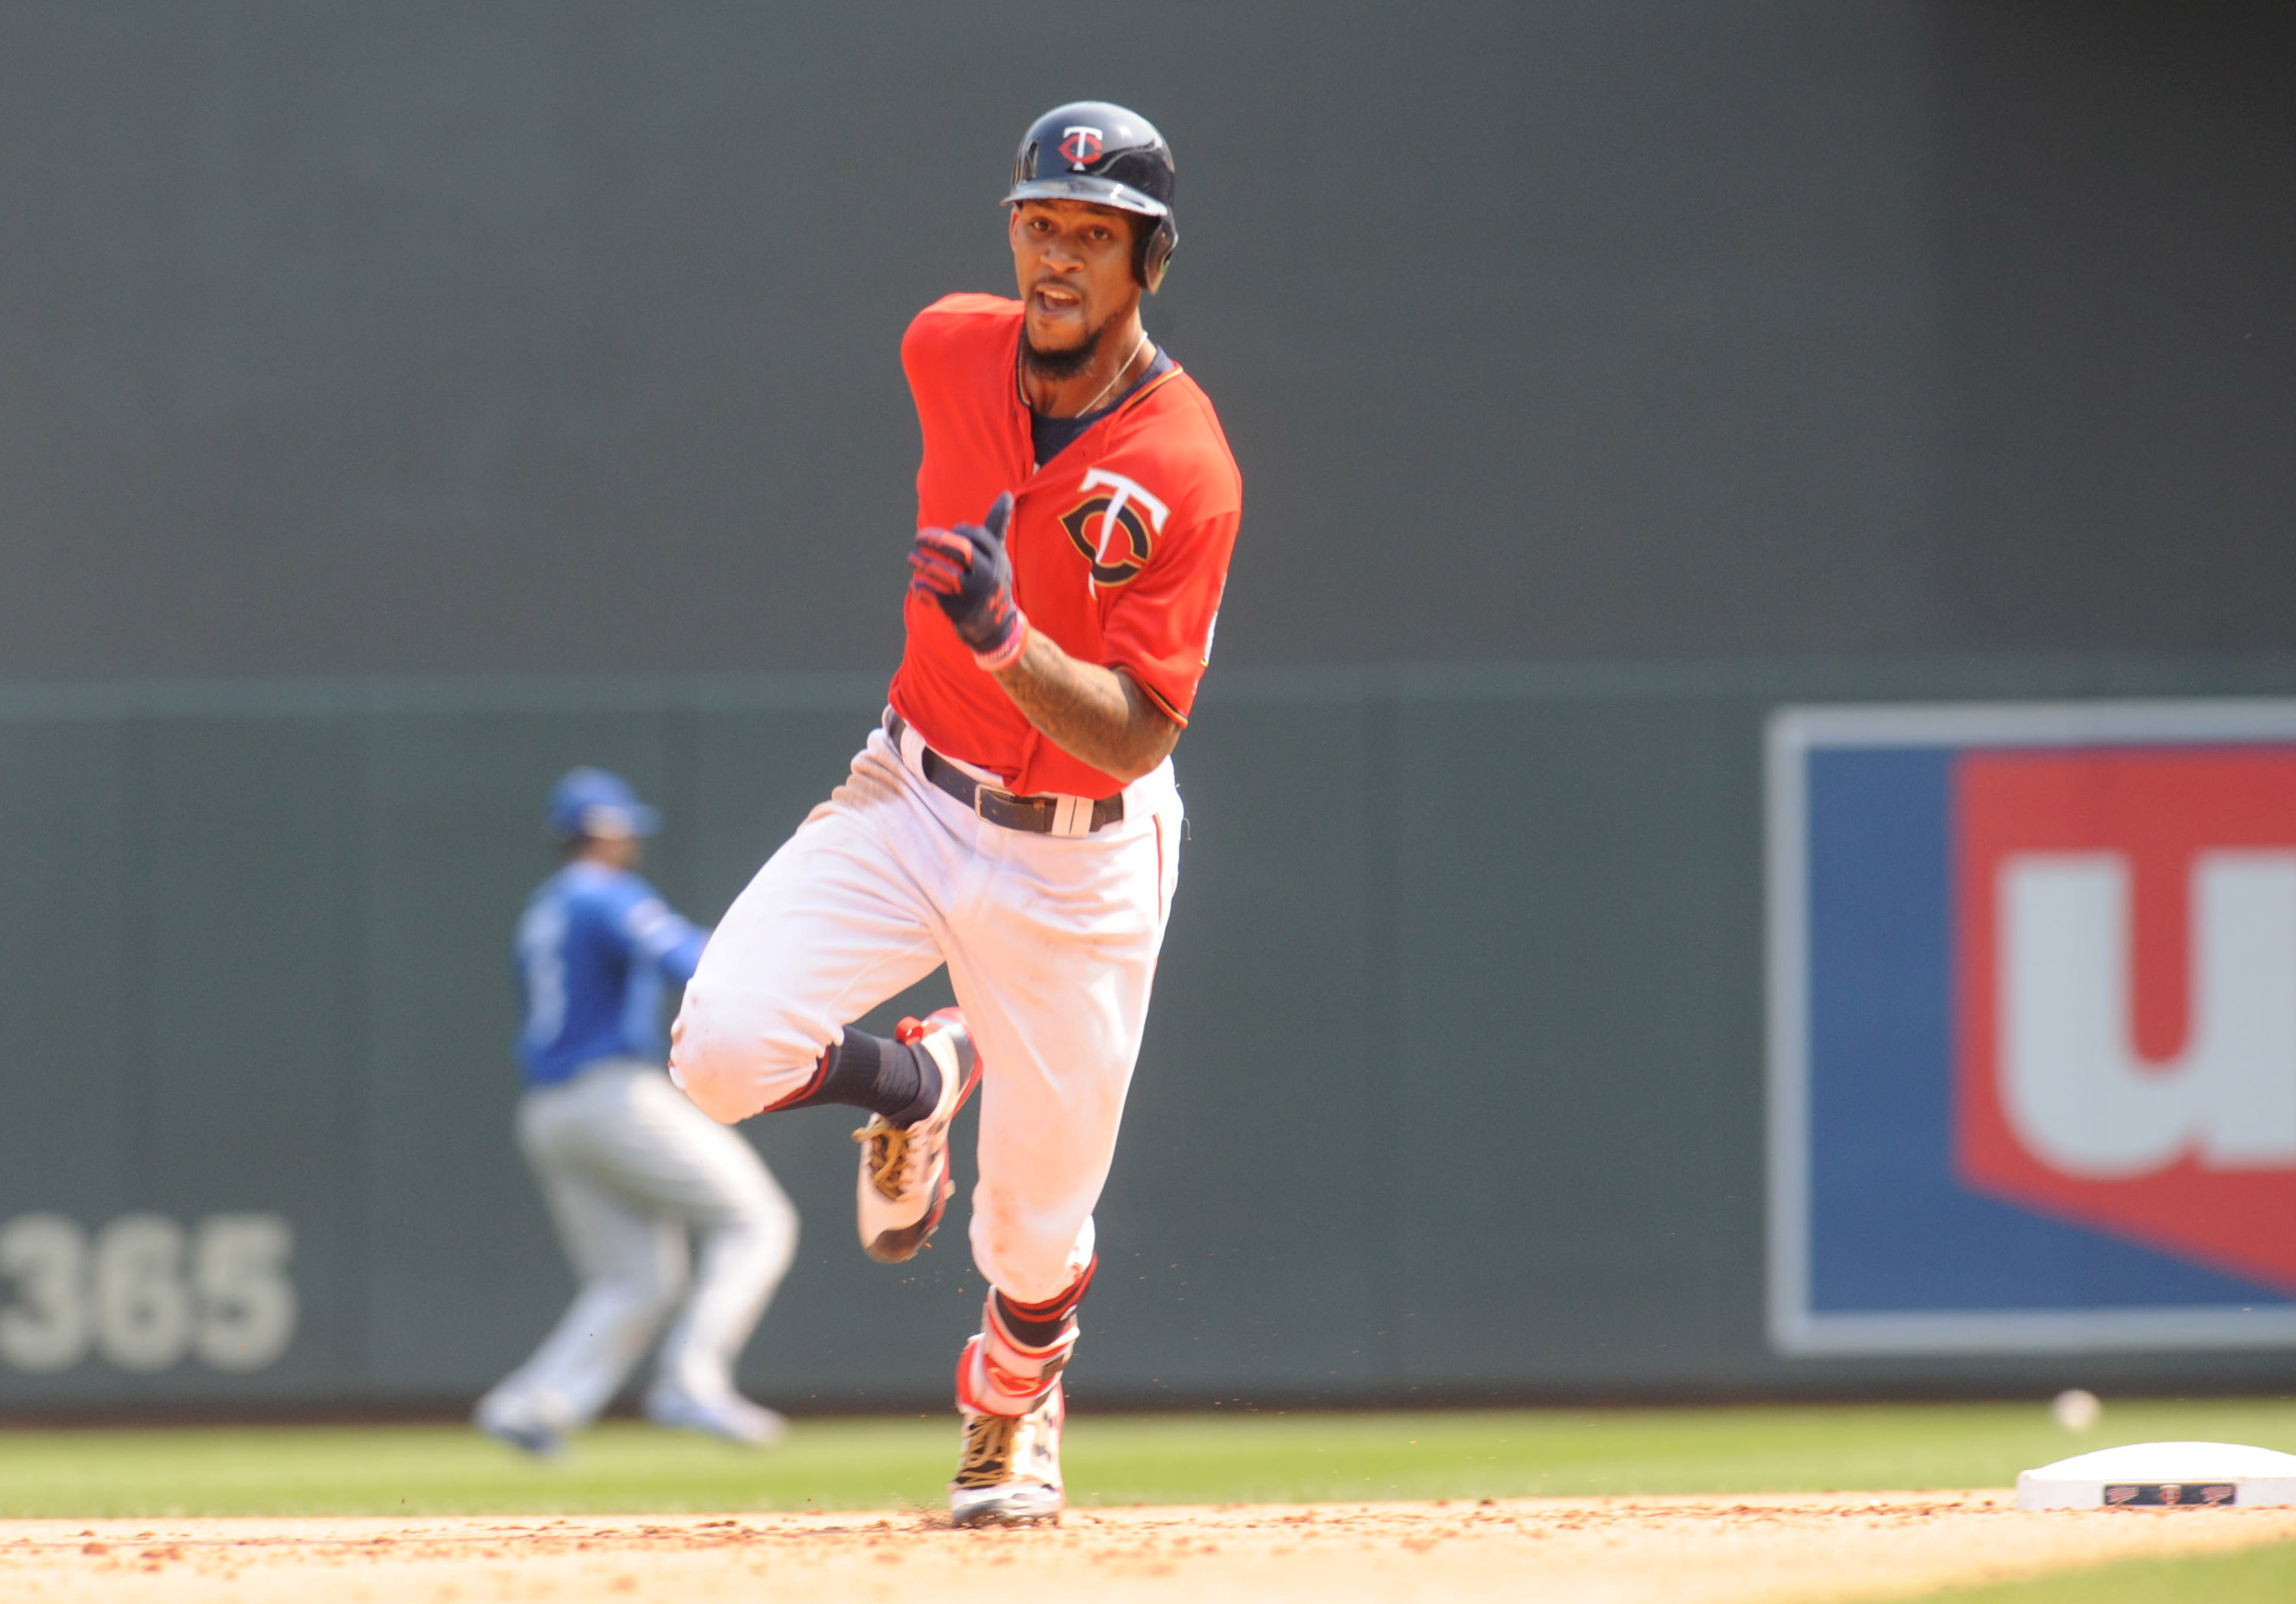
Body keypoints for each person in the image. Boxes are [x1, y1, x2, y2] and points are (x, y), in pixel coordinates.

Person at [668, 101, 1240, 1525]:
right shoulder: (948, 347)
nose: (1056, 257)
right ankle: (916, 1083)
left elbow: (1139, 731)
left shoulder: (1185, 465)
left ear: (1149, 262)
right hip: (911, 794)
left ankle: (1010, 1403)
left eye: (1094, 236)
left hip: (1082, 860)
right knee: (720, 1050)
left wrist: (1005, 639)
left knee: (1033, 1227)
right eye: (1040, 223)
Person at [475, 768, 799, 1456]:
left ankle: (533, 1403)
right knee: (758, 1220)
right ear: (602, 832)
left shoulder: (544, 908)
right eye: (621, 829)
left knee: (638, 1281)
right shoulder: (605, 896)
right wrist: (769, 958)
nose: (630, 843)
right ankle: (692, 1380)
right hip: (610, 1095)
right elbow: (686, 959)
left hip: (549, 1112)